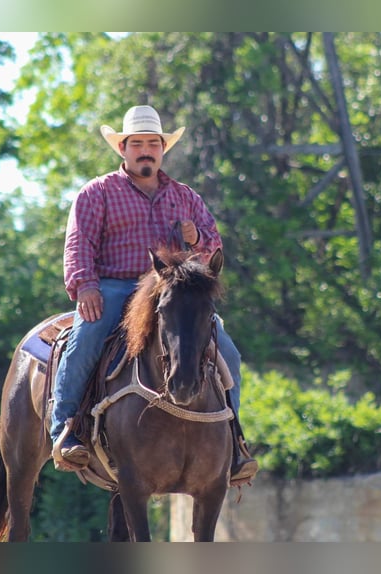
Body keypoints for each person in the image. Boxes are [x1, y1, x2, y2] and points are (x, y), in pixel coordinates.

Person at [50, 104, 258, 484]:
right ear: (123, 149)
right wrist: (86, 286)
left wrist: (200, 241)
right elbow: (79, 242)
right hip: (116, 286)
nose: (146, 150)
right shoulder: (98, 193)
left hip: (171, 291)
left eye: (153, 144)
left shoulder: (185, 197)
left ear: (163, 149)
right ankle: (65, 430)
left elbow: (212, 253)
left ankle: (233, 441)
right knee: (87, 337)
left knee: (227, 350)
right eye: (137, 144)